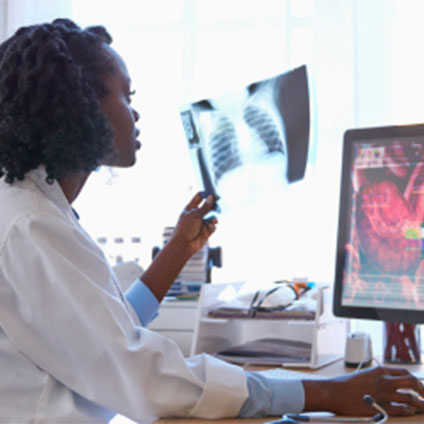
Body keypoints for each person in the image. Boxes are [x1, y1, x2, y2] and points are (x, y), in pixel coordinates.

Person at [0, 18, 423, 423]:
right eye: (126, 96)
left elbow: (104, 332)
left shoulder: (35, 210)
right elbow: (146, 379)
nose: (135, 113)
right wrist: (330, 393)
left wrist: (178, 249)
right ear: (82, 106)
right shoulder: (33, 227)